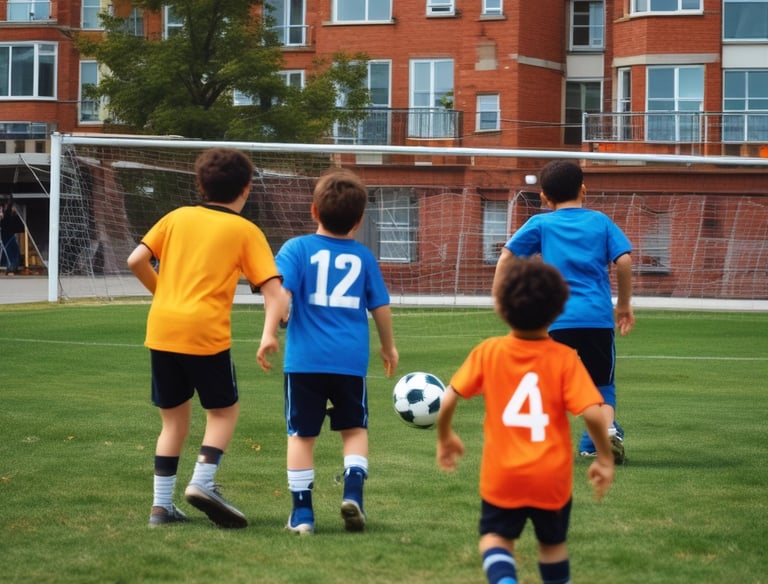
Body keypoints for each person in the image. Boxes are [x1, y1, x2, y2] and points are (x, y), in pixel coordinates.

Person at [127, 147, 288, 528]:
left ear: (200, 185)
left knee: (173, 423)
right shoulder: (245, 231)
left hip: (162, 328)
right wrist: (269, 333)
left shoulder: (177, 217)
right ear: (247, 188)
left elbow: (136, 260)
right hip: (204, 332)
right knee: (223, 411)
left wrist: (165, 293)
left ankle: (160, 508)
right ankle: (203, 482)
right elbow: (275, 292)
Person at [437, 257, 615, 584]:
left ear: (501, 306)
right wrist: (604, 457)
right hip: (552, 477)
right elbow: (592, 411)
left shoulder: (488, 351)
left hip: (503, 475)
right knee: (552, 546)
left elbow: (448, 397)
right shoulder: (564, 358)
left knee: (495, 539)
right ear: (558, 309)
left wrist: (445, 436)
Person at [258, 167, 399, 535]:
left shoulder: (296, 249)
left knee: (302, 436)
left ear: (314, 210)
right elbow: (380, 306)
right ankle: (353, 494)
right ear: (360, 218)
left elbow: (280, 295)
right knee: (354, 429)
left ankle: (302, 515)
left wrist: (269, 332)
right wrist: (388, 347)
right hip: (350, 361)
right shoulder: (364, 257)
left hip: (305, 361)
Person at [494, 159, 634, 463]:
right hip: (597, 318)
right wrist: (623, 305)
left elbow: (506, 257)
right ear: (584, 189)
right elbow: (623, 260)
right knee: (602, 384)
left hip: (556, 320)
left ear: (544, 196)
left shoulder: (541, 223)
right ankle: (606, 431)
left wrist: (501, 299)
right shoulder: (600, 221)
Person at [1, 196, 25, 276]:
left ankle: (12, 265)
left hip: (9, 230)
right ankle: (11, 265)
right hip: (8, 230)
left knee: (11, 248)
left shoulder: (9, 213)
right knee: (10, 248)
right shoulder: (8, 213)